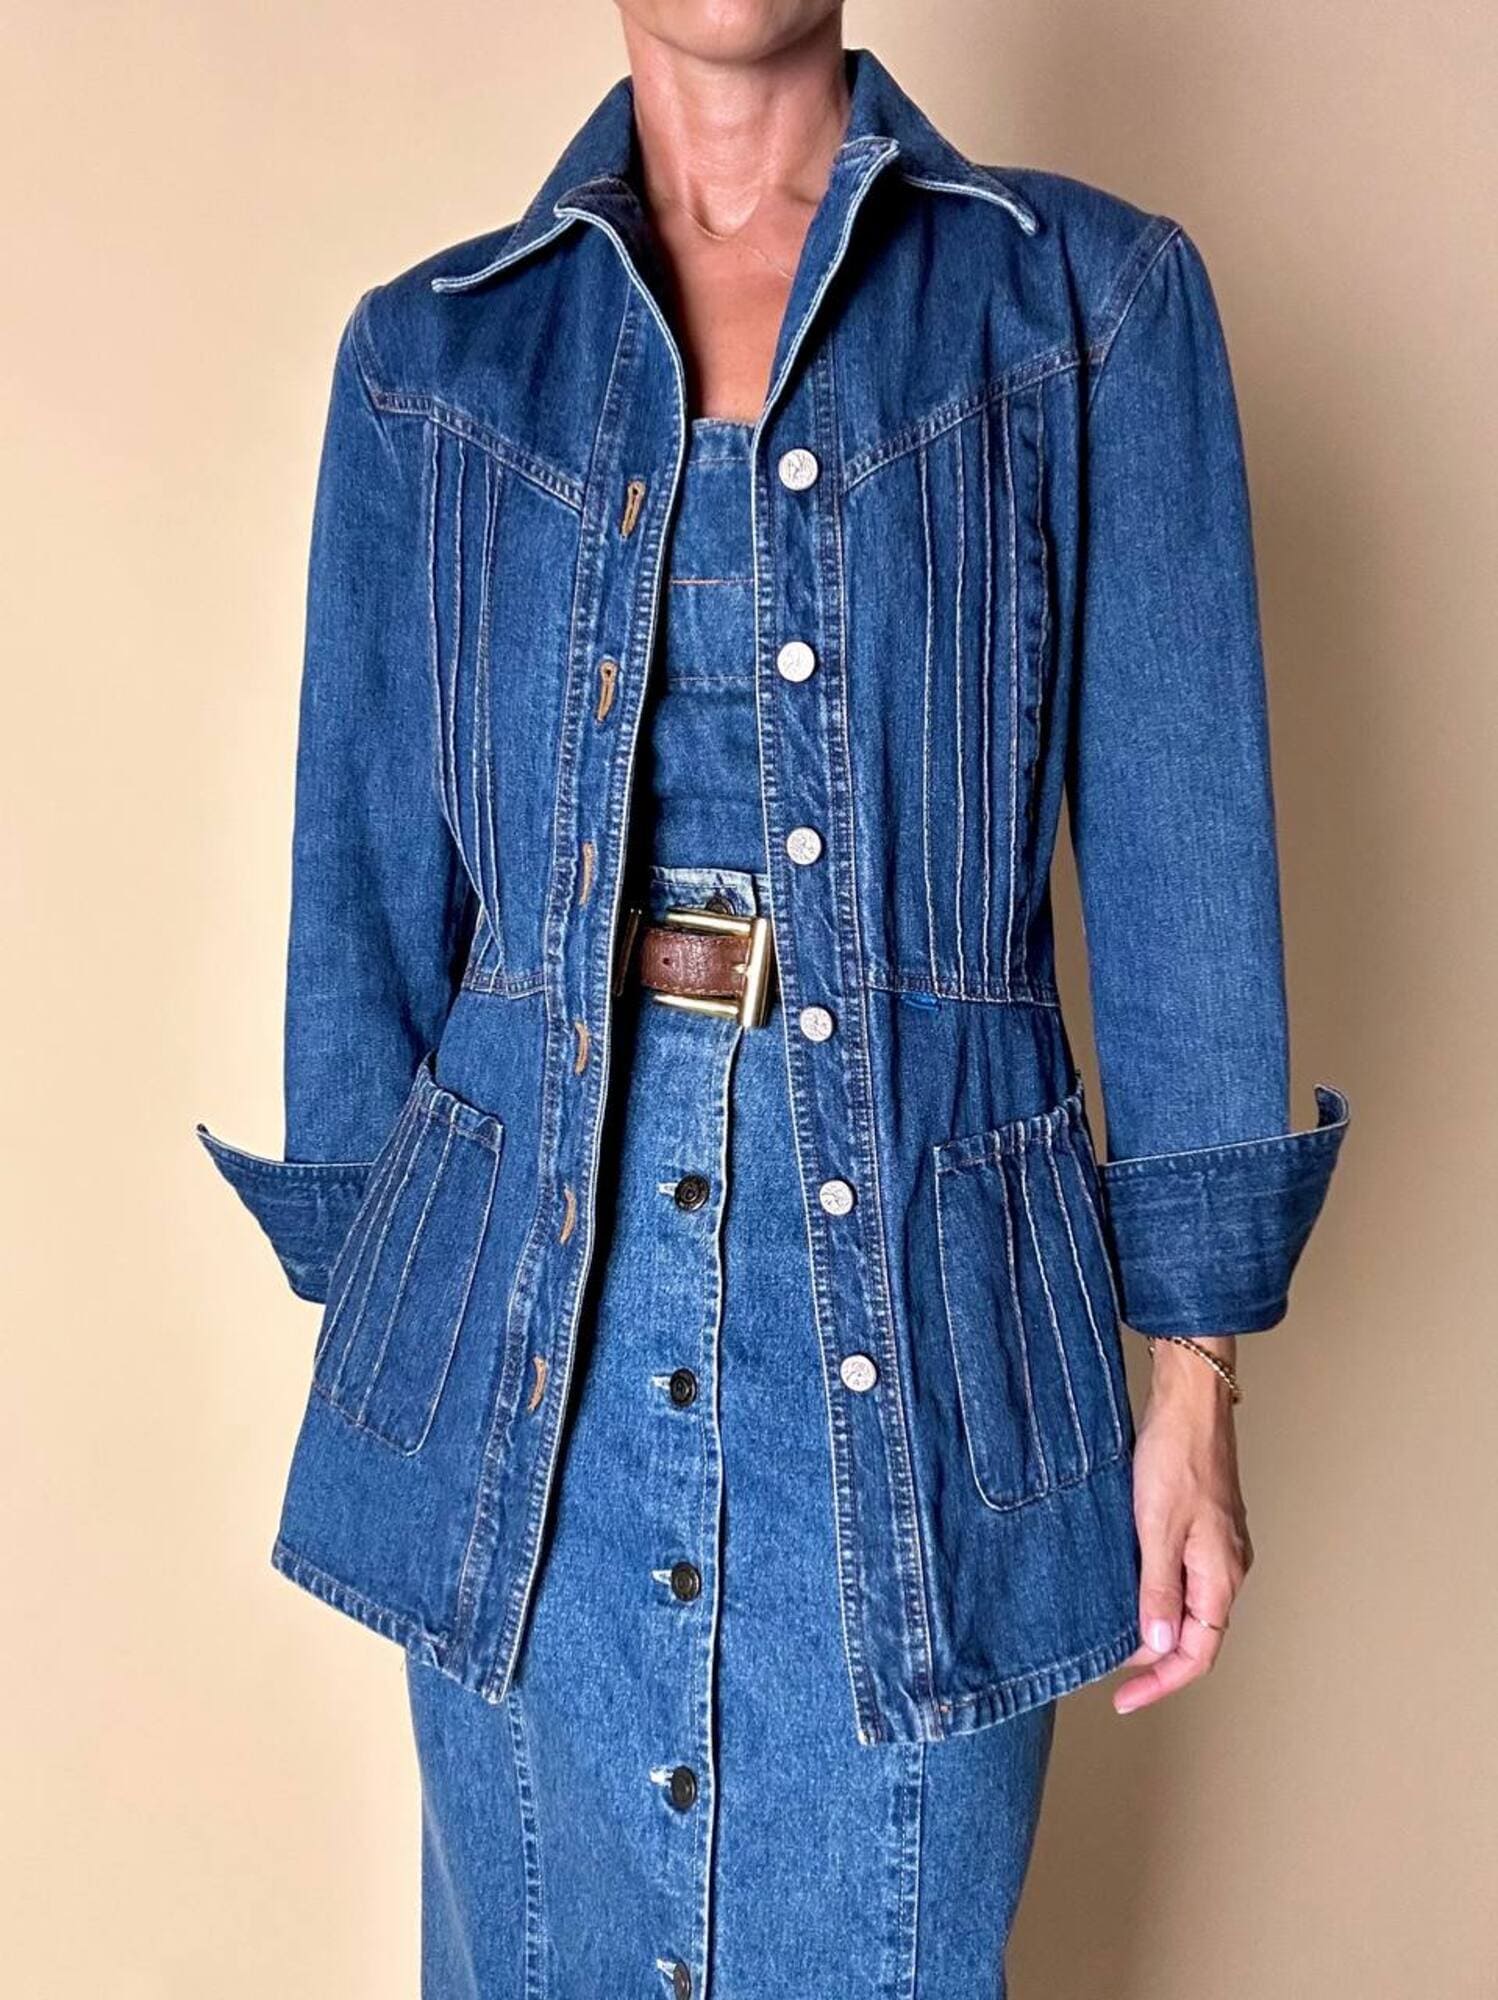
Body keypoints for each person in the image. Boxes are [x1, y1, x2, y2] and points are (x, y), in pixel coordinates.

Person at [196, 5, 1350, 1992]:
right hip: (526, 1344)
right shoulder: (433, 358)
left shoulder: (1082, 303)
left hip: (925, 1334)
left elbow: (1181, 859)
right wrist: (404, 1374)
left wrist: (1190, 1376)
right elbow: (361, 899)